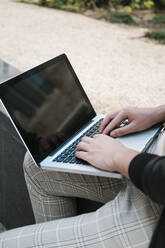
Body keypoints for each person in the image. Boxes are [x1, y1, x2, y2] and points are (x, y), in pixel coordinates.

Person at [0, 105, 165, 248]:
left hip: (156, 210)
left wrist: (118, 156)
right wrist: (158, 113)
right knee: (36, 166)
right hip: (153, 160)